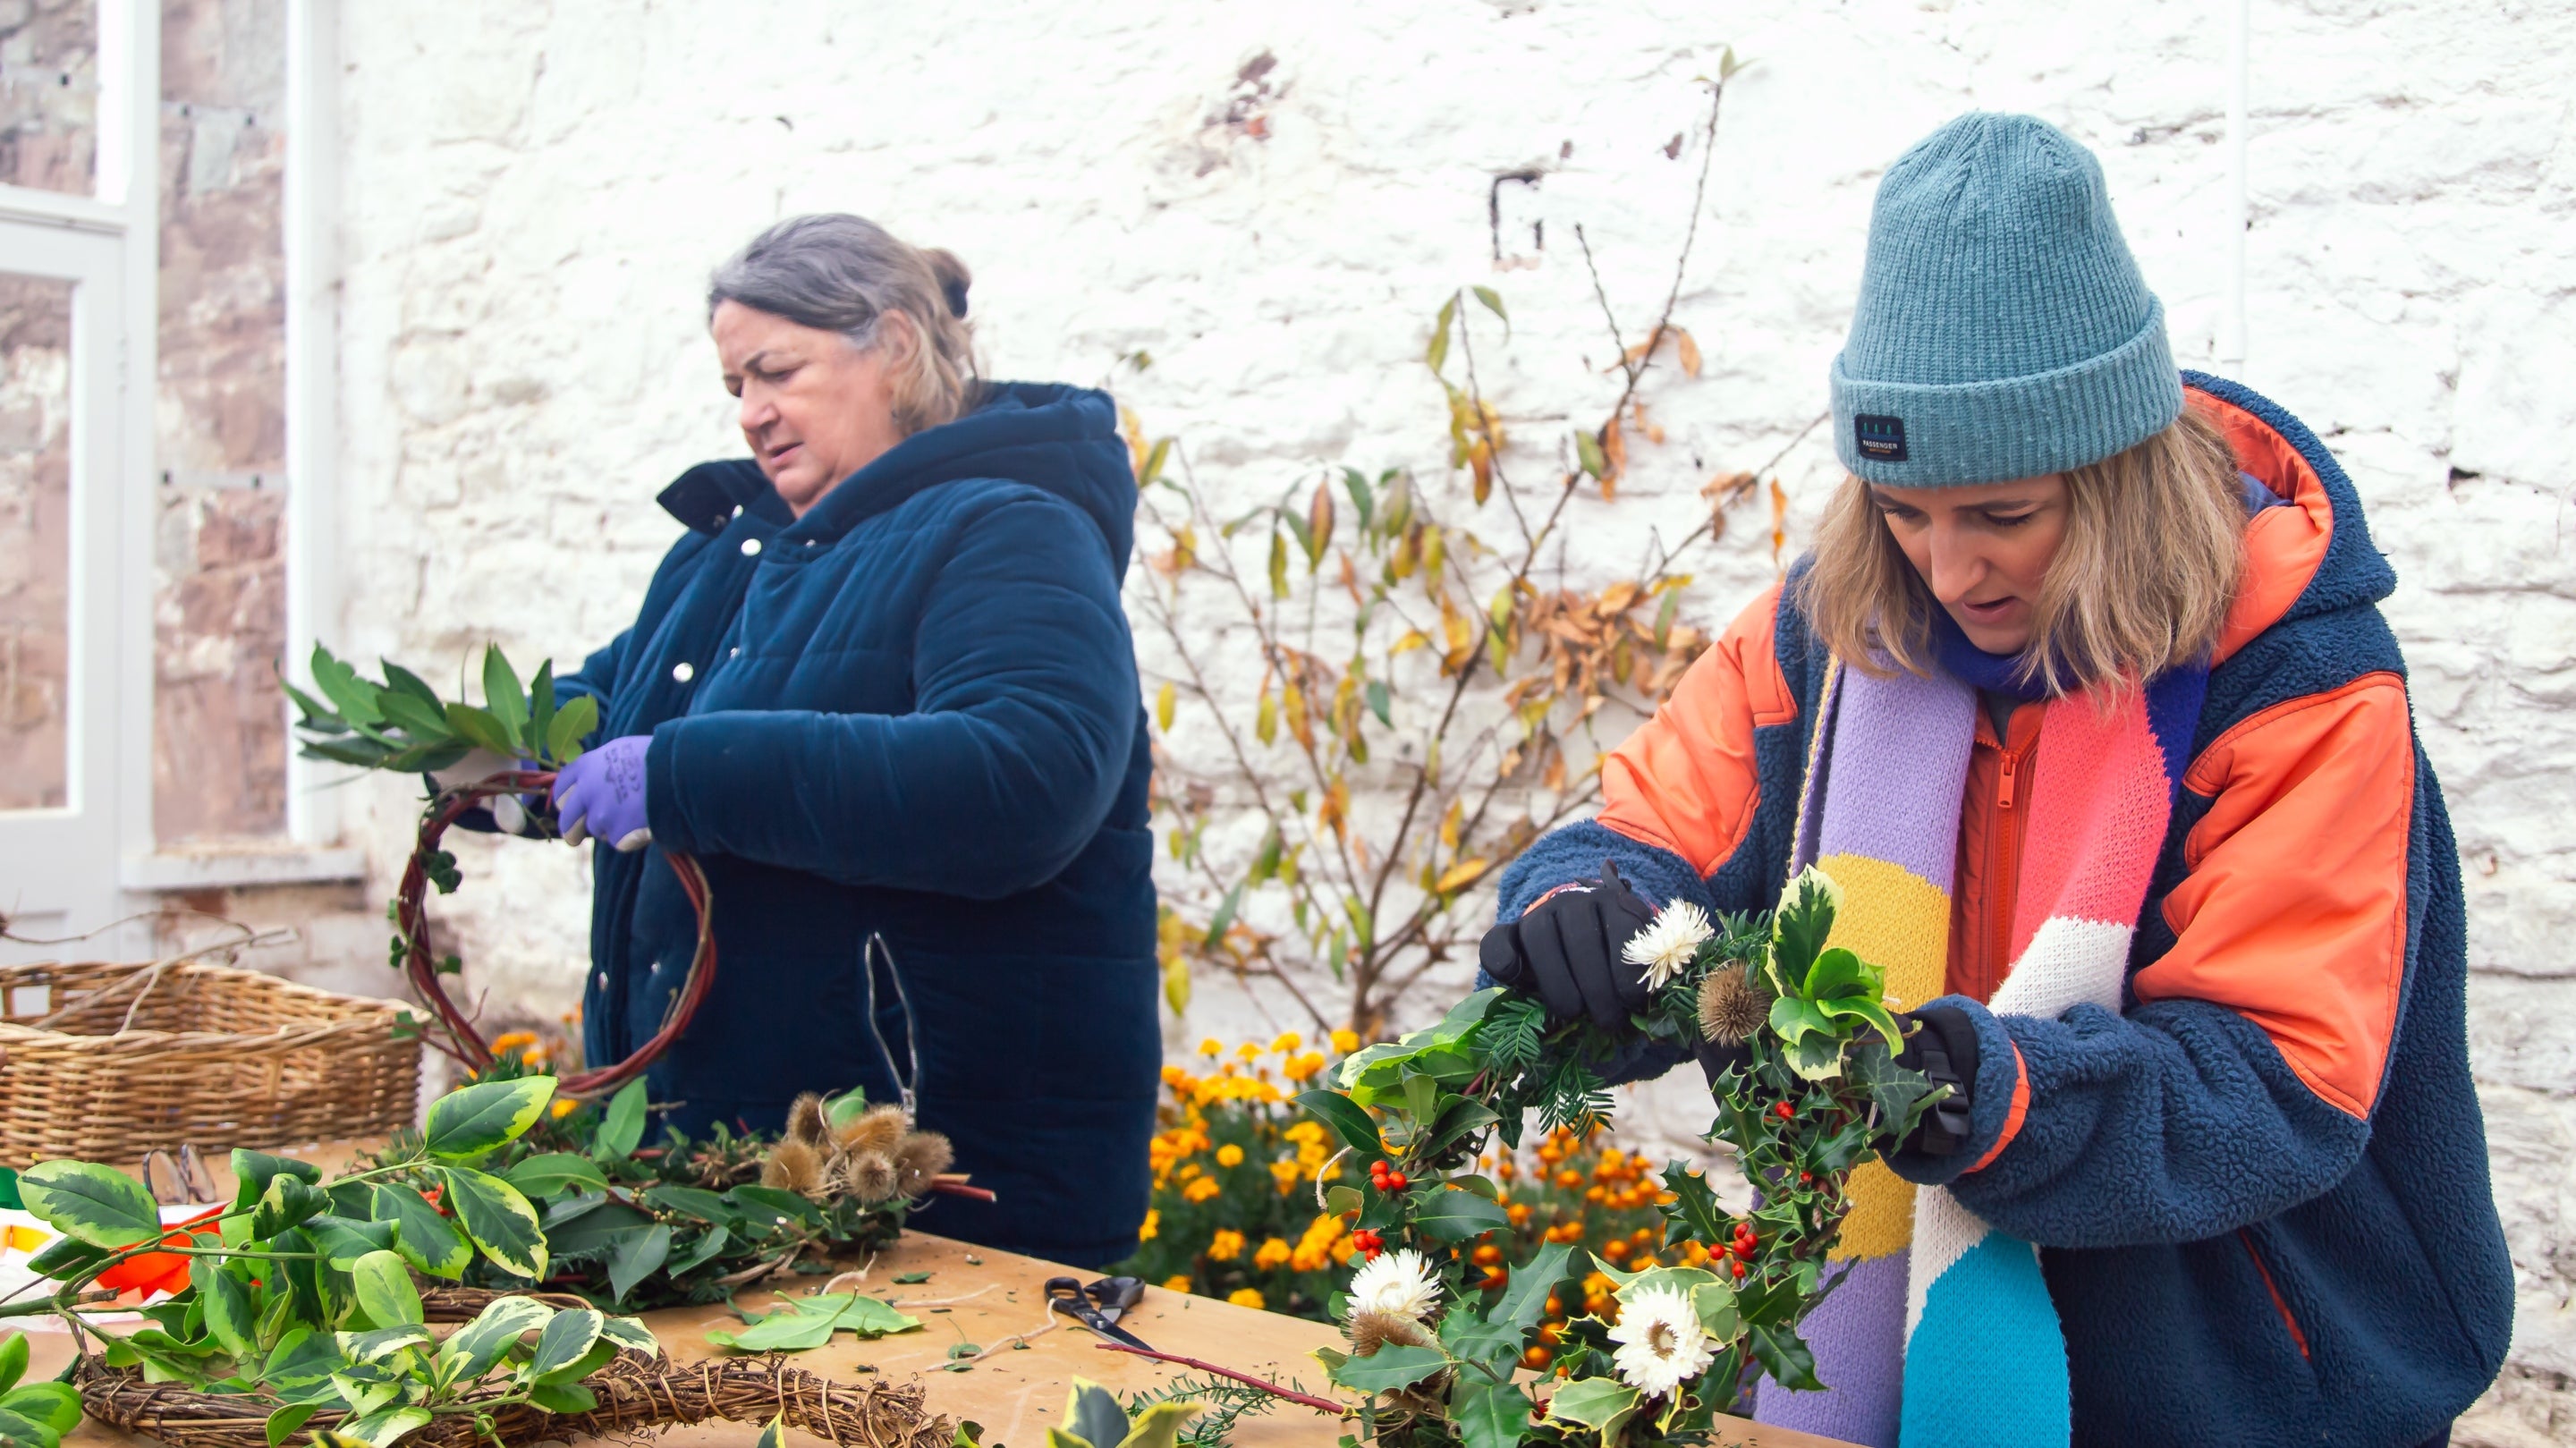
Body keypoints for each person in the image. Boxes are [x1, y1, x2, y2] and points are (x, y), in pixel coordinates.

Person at [1478, 114, 2510, 1448]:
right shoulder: (1830, 630)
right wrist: (1587, 905)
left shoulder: (2296, 675)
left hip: (2237, 1386)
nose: (1947, 571)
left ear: (2117, 470)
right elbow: (1652, 831)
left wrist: (2012, 1095)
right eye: (1905, 511)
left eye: (2004, 515)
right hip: (1875, 1352)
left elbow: (2281, 1076)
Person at [500, 214, 1157, 1267]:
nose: (753, 413)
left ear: (892, 345)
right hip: (725, 1173)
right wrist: (494, 764)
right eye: (735, 387)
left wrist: (680, 776)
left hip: (937, 1198)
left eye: (777, 371)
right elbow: (609, 704)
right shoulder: (735, 551)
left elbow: (1023, 778)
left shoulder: (1009, 527)